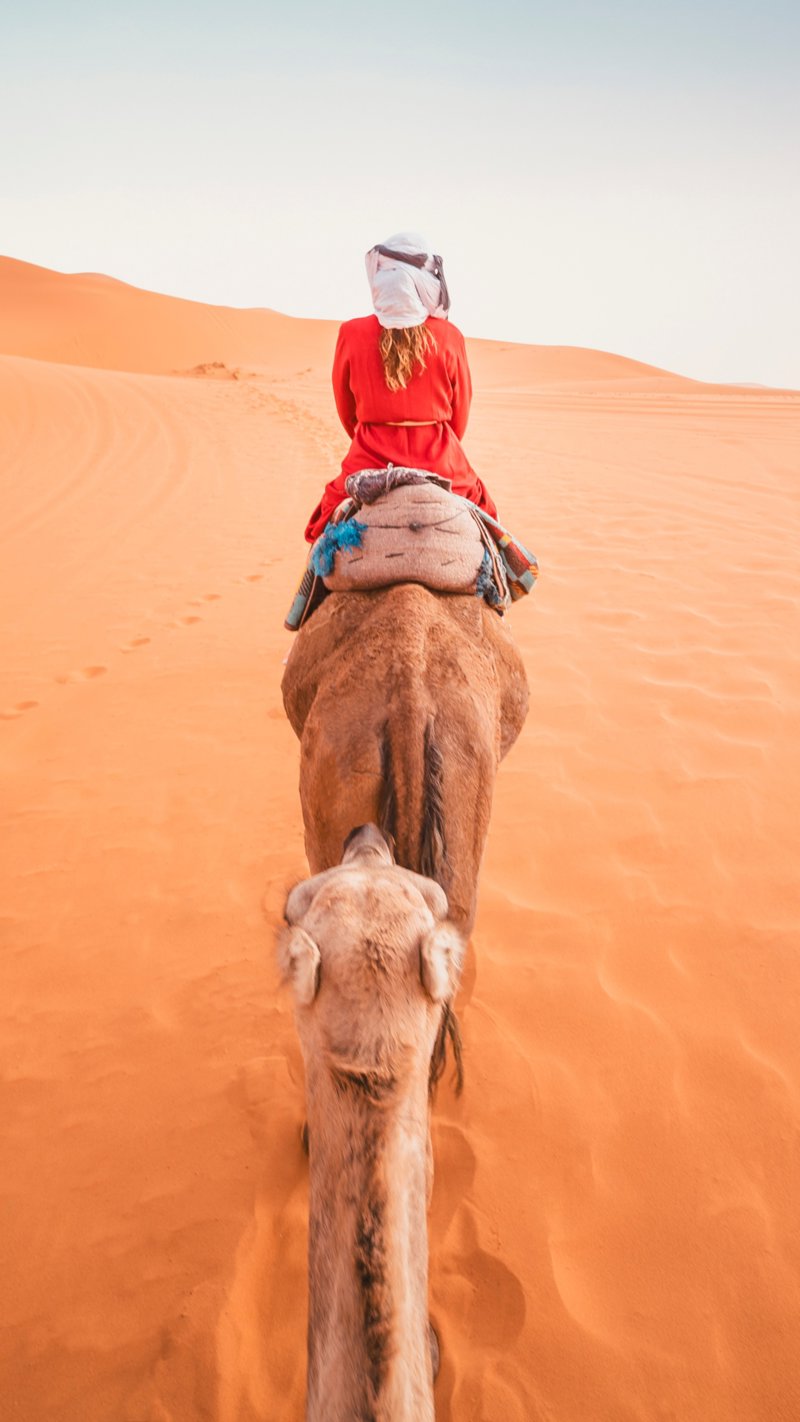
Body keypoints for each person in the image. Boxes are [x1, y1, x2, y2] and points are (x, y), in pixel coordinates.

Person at [304, 232, 498, 543]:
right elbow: (459, 416)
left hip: (368, 456)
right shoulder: (450, 336)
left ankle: (308, 592)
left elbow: (347, 413)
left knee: (324, 530)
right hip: (441, 459)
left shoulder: (351, 333)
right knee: (486, 522)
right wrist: (437, 438)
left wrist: (373, 433)